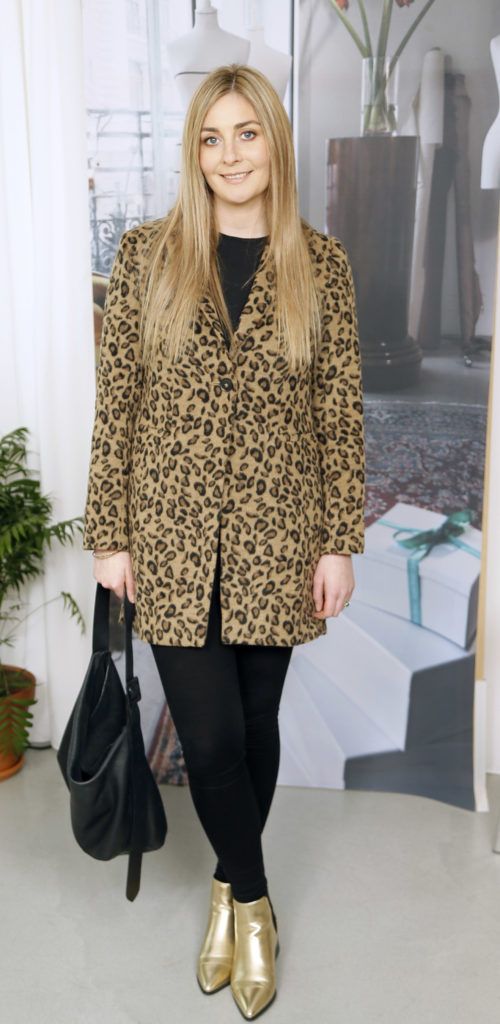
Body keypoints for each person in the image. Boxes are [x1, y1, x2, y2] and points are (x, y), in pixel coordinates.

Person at [83, 63, 365, 1020]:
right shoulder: (146, 255)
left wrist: (339, 542)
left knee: (253, 727)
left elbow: (338, 412)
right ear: (192, 152)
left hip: (277, 537)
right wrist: (108, 535)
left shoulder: (319, 264)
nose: (230, 155)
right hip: (165, 530)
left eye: (247, 134)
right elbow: (116, 403)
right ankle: (255, 903)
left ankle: (223, 891)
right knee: (205, 738)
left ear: (273, 143)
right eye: (212, 137)